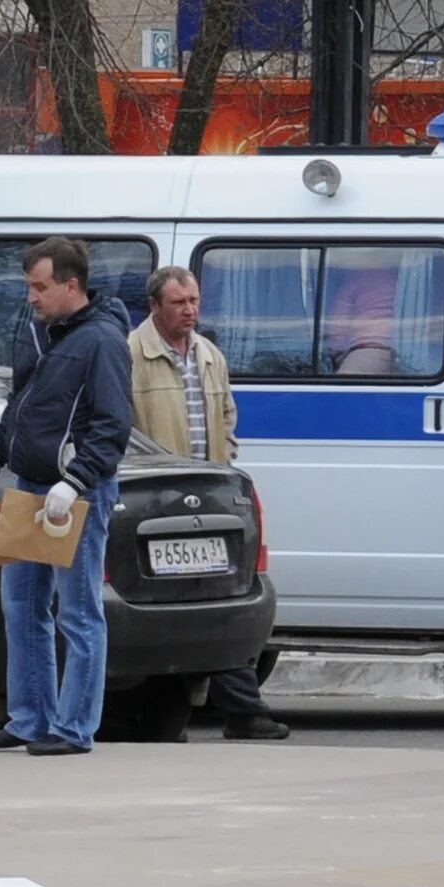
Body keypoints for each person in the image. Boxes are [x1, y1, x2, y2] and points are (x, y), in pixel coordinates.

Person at [0, 237, 132, 756]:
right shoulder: (41, 331)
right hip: (30, 486)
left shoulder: (102, 340)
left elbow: (113, 423)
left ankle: (74, 726)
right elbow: (22, 402)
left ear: (70, 284)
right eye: (28, 286)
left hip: (72, 494)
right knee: (22, 606)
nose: (31, 297)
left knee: (78, 612)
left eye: (39, 287)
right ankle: (30, 719)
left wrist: (76, 480)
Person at [128, 266, 289, 741]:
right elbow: (122, 428)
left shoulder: (208, 354)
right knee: (172, 604)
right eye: (179, 303)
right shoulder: (131, 354)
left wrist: (223, 462)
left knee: (225, 598)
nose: (190, 310)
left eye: (194, 301)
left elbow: (226, 417)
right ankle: (165, 711)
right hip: (154, 496)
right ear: (155, 306)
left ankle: (242, 710)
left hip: (209, 492)